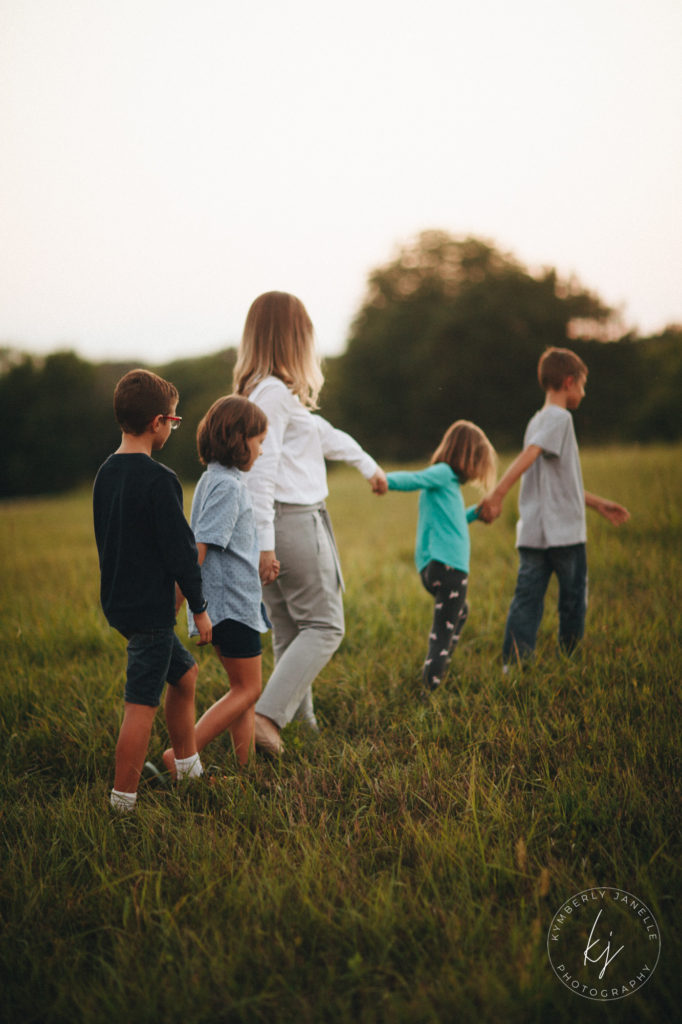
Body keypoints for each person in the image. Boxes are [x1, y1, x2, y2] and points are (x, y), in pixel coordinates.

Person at [233, 291, 387, 754]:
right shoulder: (275, 396)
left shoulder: (263, 392)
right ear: (295, 338)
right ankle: (266, 717)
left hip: (272, 523)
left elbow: (323, 434)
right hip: (291, 519)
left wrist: (367, 465)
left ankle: (303, 728)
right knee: (325, 626)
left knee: (291, 630)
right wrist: (265, 543)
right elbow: (259, 472)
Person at [93, 369, 212, 812]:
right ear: (157, 422)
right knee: (140, 706)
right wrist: (199, 608)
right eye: (174, 421)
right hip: (151, 611)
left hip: (120, 603)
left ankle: (188, 769)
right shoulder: (160, 479)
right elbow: (182, 554)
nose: (173, 428)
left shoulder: (106, 472)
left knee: (185, 677)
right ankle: (122, 803)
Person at [478, 346, 630, 667]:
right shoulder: (560, 419)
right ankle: (570, 659)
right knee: (573, 600)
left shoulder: (536, 421)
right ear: (568, 381)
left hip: (535, 532)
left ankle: (514, 665)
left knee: (527, 600)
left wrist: (598, 504)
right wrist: (498, 493)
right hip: (565, 534)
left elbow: (559, 483)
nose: (583, 393)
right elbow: (530, 456)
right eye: (583, 385)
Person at [162, 395, 273, 772]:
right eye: (258, 441)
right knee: (248, 689)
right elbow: (200, 548)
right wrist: (186, 603)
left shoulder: (214, 480)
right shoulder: (230, 487)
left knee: (243, 693)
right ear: (240, 440)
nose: (261, 449)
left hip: (230, 603)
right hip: (230, 607)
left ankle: (246, 770)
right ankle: (178, 756)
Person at [380, 420, 497, 693]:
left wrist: (475, 514)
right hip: (451, 568)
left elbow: (453, 522)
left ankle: (441, 667)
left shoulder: (448, 484)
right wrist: (384, 480)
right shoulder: (443, 473)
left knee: (460, 613)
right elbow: (415, 478)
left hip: (433, 567)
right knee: (442, 633)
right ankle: (431, 688)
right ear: (468, 457)